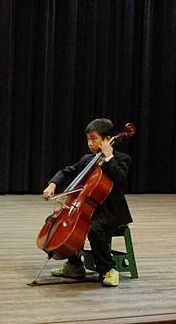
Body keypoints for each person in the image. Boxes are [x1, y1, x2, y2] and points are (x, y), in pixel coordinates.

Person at [42, 118, 133, 287]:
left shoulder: (121, 159)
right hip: (88, 208)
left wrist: (109, 157)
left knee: (93, 227)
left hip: (111, 212)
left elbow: (121, 180)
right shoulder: (87, 160)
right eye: (88, 139)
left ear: (106, 139)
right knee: (61, 225)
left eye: (94, 139)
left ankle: (108, 269)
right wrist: (52, 184)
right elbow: (66, 172)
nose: (90, 143)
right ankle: (75, 265)